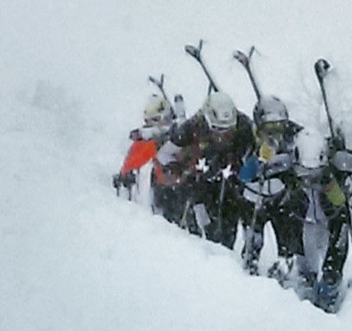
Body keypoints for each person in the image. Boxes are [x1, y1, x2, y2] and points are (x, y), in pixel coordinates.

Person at [248, 127, 352, 312]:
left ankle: (329, 293)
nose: (310, 178)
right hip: (302, 219)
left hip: (334, 219)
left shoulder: (338, 160)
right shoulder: (286, 161)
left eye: (316, 173)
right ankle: (304, 295)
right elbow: (250, 175)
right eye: (303, 173)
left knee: (332, 269)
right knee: (305, 268)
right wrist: (260, 161)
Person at [157, 90, 257, 249]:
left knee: (228, 229)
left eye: (228, 130)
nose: (223, 135)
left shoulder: (245, 127)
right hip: (199, 183)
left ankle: (226, 257)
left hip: (231, 182)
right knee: (204, 226)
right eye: (217, 129)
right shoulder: (191, 127)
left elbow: (255, 155)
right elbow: (164, 154)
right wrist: (177, 168)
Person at [239, 95, 304, 276]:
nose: (275, 135)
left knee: (289, 238)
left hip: (282, 198)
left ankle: (284, 267)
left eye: (280, 127)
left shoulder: (294, 137)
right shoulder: (247, 139)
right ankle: (249, 267)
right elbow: (243, 176)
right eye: (269, 130)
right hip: (254, 199)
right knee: (254, 239)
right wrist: (257, 161)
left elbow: (312, 148)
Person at [114, 93, 185, 223]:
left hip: (179, 188)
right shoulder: (146, 143)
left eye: (156, 119)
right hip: (162, 192)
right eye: (148, 121)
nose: (150, 124)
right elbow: (130, 165)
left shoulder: (177, 135)